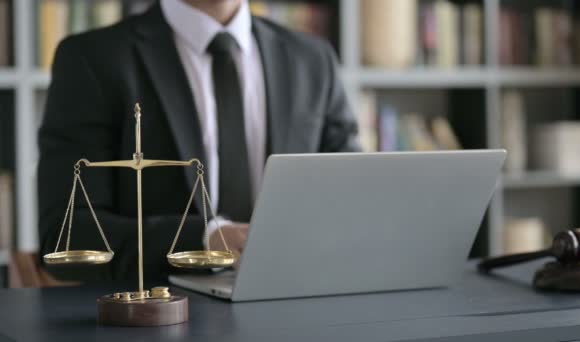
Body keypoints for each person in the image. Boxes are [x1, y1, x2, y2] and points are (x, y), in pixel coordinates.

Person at [38, 0, 360, 281]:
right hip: (158, 319)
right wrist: (206, 239)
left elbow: (354, 202)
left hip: (295, 307)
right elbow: (67, 237)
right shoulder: (92, 59)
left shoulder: (313, 60)